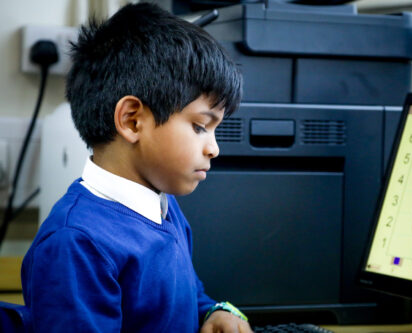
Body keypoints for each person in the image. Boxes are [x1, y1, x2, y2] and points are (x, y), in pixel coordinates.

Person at [21, 3, 250, 332]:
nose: (214, 148)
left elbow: (185, 294)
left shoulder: (163, 206)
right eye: (201, 126)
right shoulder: (75, 244)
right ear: (132, 120)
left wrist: (212, 311)